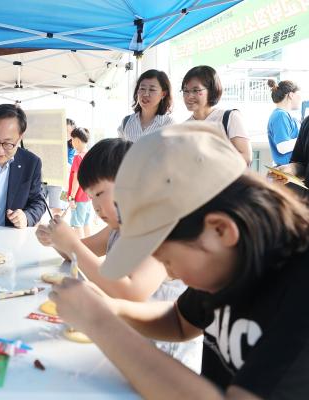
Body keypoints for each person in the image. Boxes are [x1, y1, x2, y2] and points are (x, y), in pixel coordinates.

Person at [50, 122, 309, 399]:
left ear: (221, 229)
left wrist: (99, 321)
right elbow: (180, 321)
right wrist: (113, 308)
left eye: (168, 261)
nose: (172, 275)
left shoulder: (298, 288)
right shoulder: (227, 259)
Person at [36, 138, 201, 371]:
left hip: (167, 362)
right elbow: (78, 252)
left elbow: (131, 292)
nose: (94, 205)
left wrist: (72, 244)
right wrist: (54, 239)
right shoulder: (118, 228)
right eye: (90, 196)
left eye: (99, 193)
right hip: (131, 348)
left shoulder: (159, 230)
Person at [182, 65, 252, 165]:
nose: (189, 96)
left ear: (211, 91)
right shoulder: (183, 128)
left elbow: (246, 157)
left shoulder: (230, 117)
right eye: (185, 91)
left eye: (196, 90)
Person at [118, 69, 174, 142]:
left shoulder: (169, 125)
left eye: (152, 90)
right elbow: (119, 151)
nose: (145, 94)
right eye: (142, 88)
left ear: (163, 94)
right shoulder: (127, 122)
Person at [266, 79, 301, 166]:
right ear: (291, 95)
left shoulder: (287, 116)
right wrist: (303, 140)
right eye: (298, 95)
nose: (300, 99)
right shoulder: (280, 115)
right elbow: (283, 147)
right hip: (288, 173)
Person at [66, 127, 92, 238]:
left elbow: (76, 180)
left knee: (77, 225)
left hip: (78, 198)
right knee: (86, 224)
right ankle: (90, 249)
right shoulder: (90, 155)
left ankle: (80, 252)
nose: (71, 142)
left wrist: (71, 197)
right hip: (88, 197)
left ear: (77, 140)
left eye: (72, 139)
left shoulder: (78, 158)